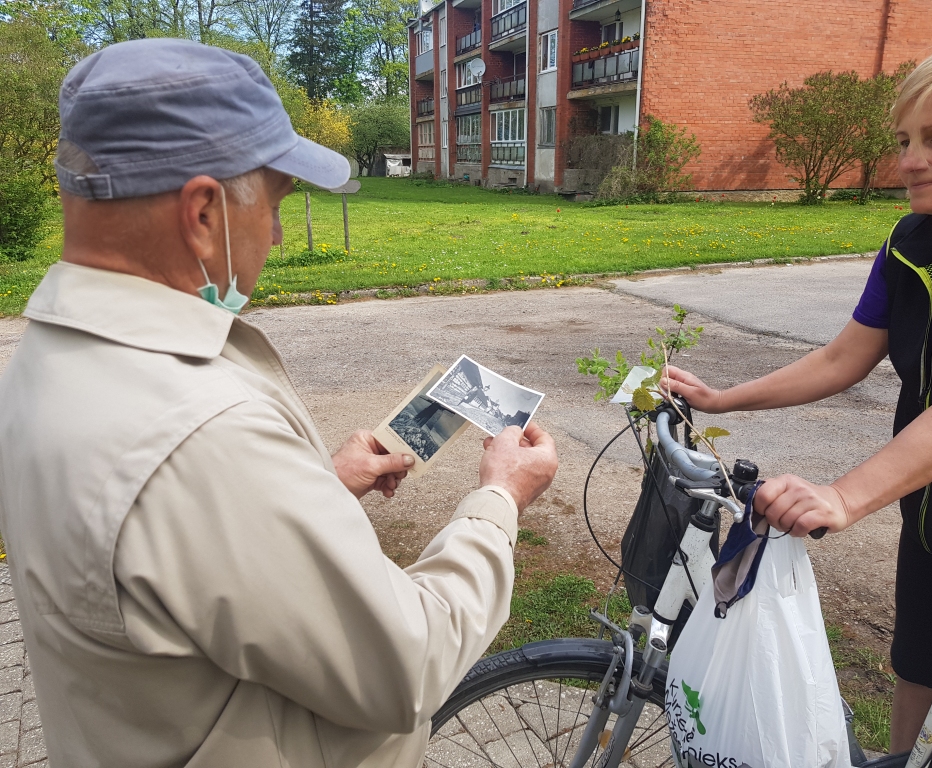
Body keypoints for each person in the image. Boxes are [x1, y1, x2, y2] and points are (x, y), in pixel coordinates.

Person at [0, 39, 558, 767]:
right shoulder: (201, 434)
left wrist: (312, 491)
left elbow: (169, 560)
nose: (279, 230)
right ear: (202, 213)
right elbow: (405, 665)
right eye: (273, 202)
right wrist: (498, 501)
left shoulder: (41, 364)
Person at [662, 38, 932, 768]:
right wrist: (721, 396)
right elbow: (841, 358)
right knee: (916, 689)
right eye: (903, 140)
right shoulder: (914, 242)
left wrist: (844, 495)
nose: (910, 159)